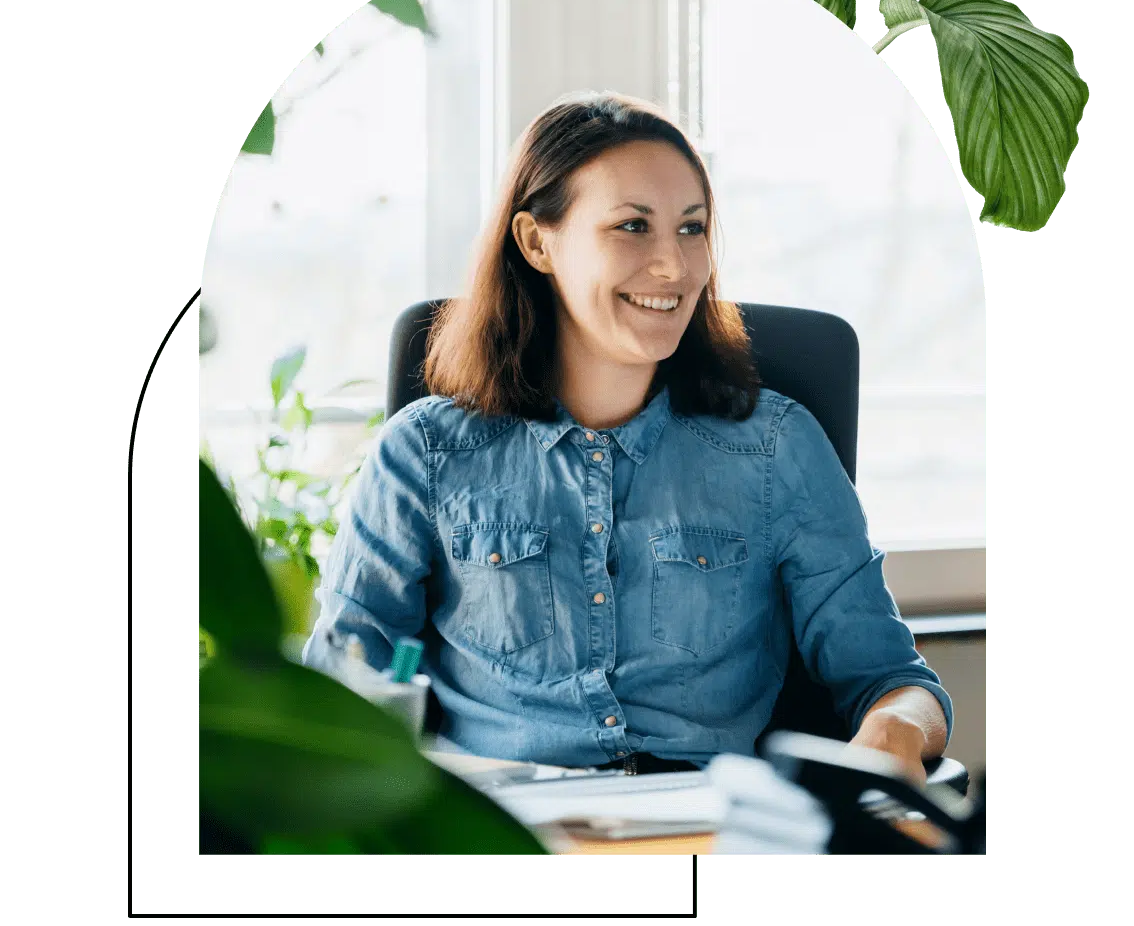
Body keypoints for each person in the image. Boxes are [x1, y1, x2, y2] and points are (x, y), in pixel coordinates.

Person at [303, 90, 952, 783]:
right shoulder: (425, 454)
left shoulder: (776, 448)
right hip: (502, 837)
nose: (675, 267)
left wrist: (895, 723)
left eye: (692, 228)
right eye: (632, 227)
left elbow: (896, 680)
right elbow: (335, 694)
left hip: (705, 833)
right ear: (536, 241)